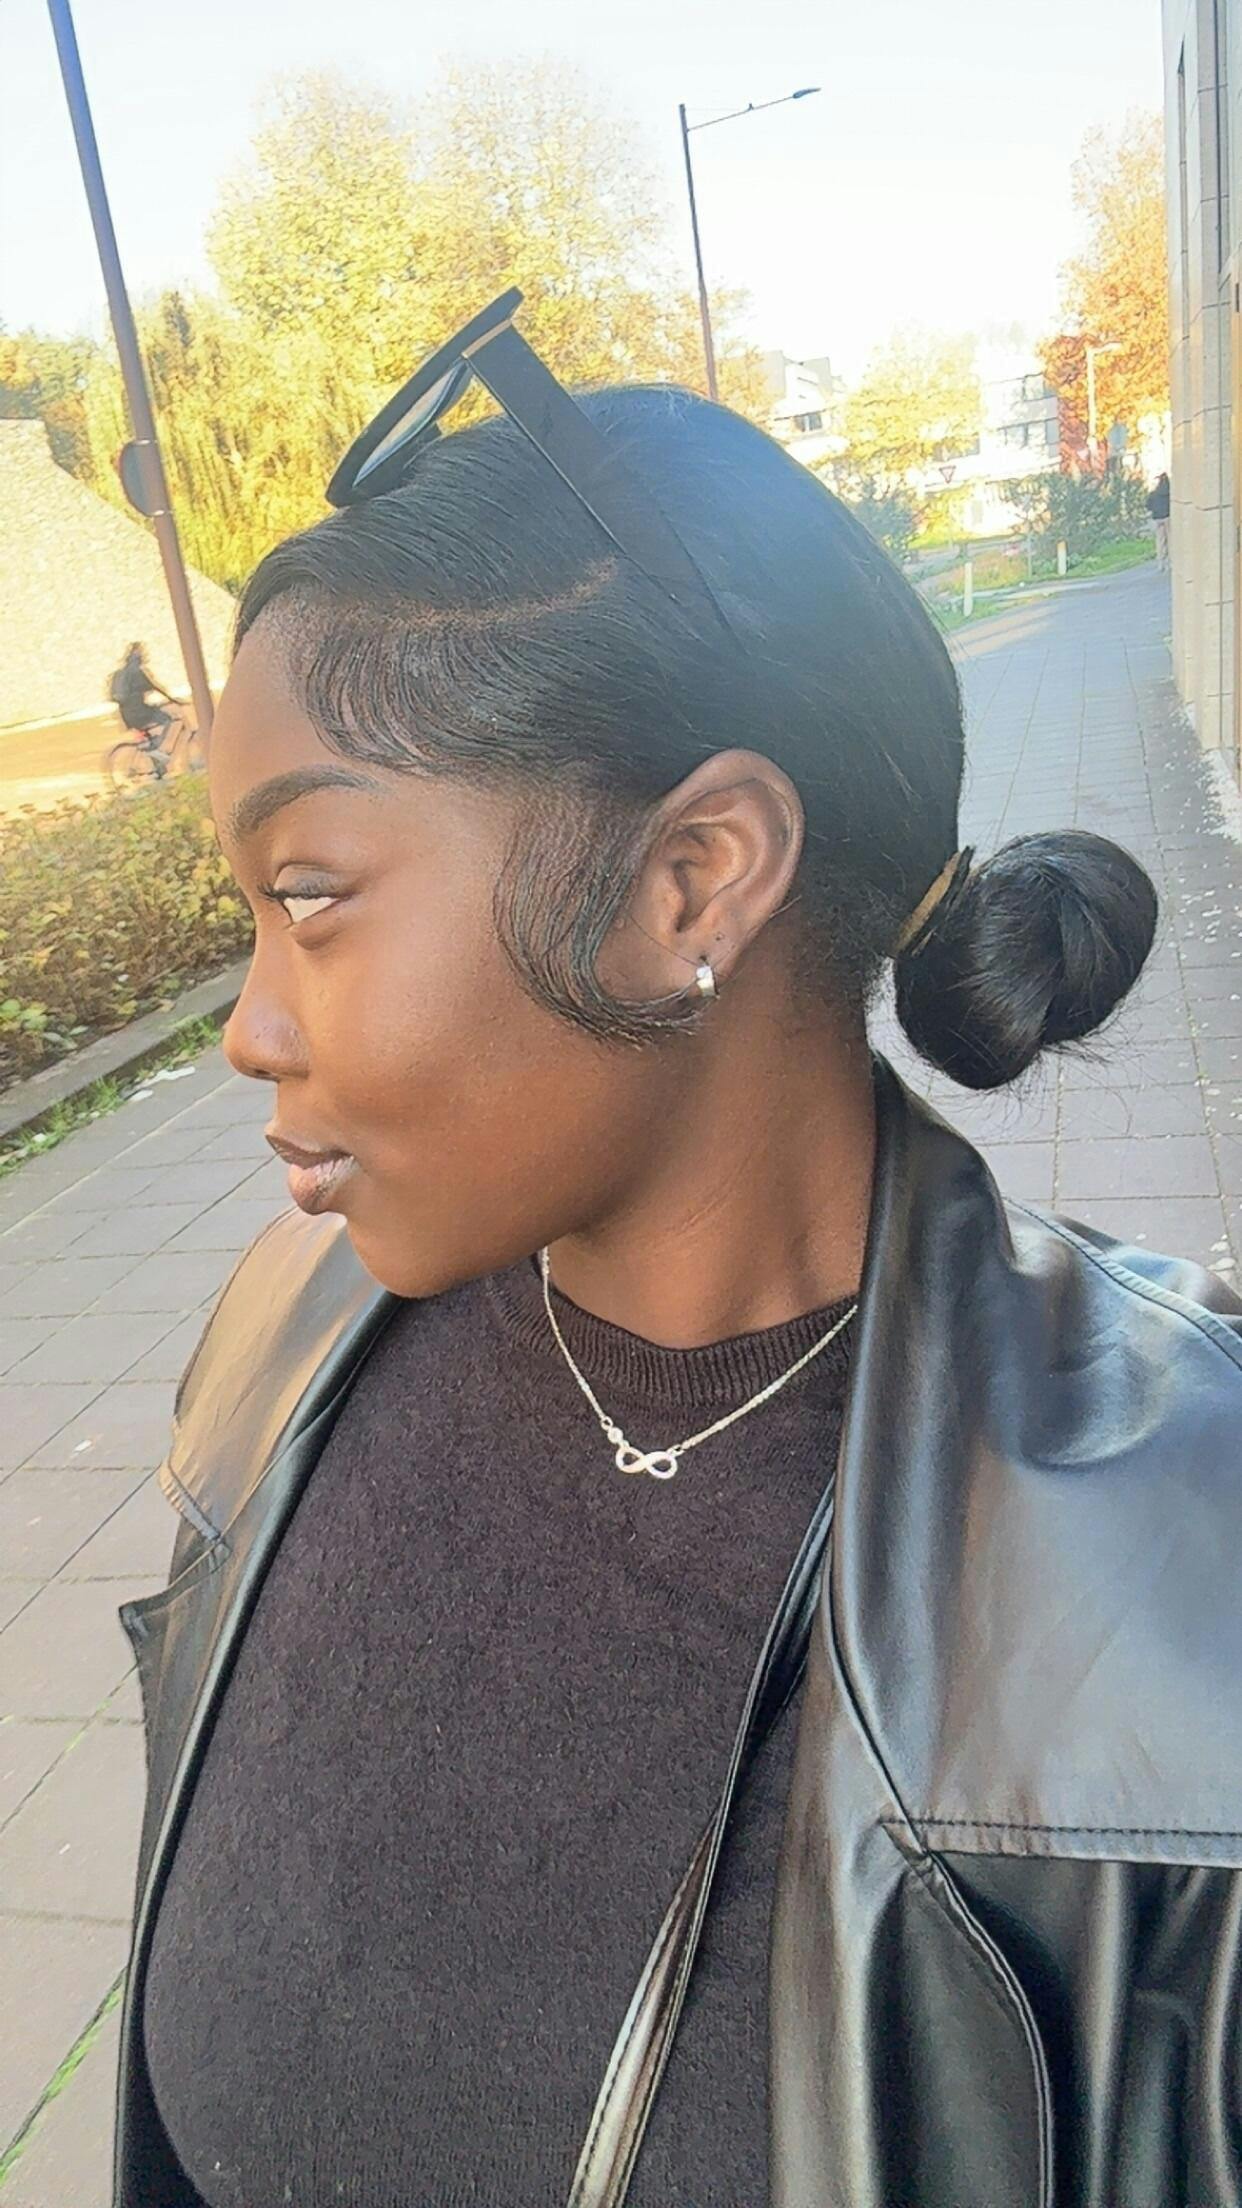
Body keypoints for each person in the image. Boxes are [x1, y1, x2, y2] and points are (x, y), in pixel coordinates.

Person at [112, 300, 1242, 2208]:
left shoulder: (1179, 1570)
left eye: (312, 894)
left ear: (689, 877)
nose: (251, 1027)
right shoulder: (281, 1346)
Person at [108, 642, 176, 771]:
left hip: (126, 714)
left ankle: (158, 765)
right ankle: (154, 748)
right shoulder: (137, 672)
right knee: (167, 719)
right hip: (140, 712)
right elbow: (155, 687)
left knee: (146, 736)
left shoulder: (120, 674)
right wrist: (173, 700)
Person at [1147, 469, 1171, 567]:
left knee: (1160, 540)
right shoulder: (1169, 493)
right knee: (1170, 539)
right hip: (1168, 517)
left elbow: (1148, 506)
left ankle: (1161, 561)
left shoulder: (1153, 494)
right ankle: (1170, 560)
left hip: (1157, 519)